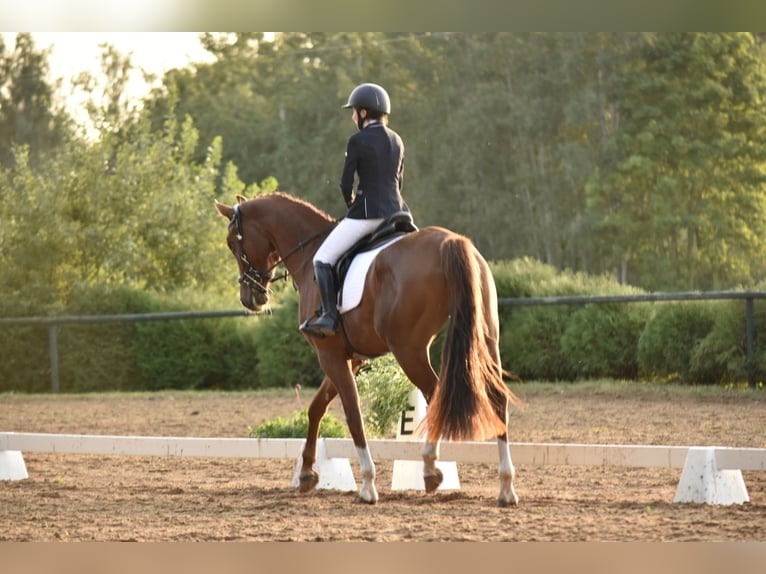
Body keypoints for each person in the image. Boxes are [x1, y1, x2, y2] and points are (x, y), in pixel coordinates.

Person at [300, 82, 410, 337]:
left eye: (353, 111)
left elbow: (345, 183)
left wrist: (352, 203)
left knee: (322, 258)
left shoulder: (357, 140)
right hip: (399, 214)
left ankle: (328, 317)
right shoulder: (397, 139)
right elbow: (399, 180)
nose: (352, 116)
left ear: (362, 112)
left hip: (368, 215)